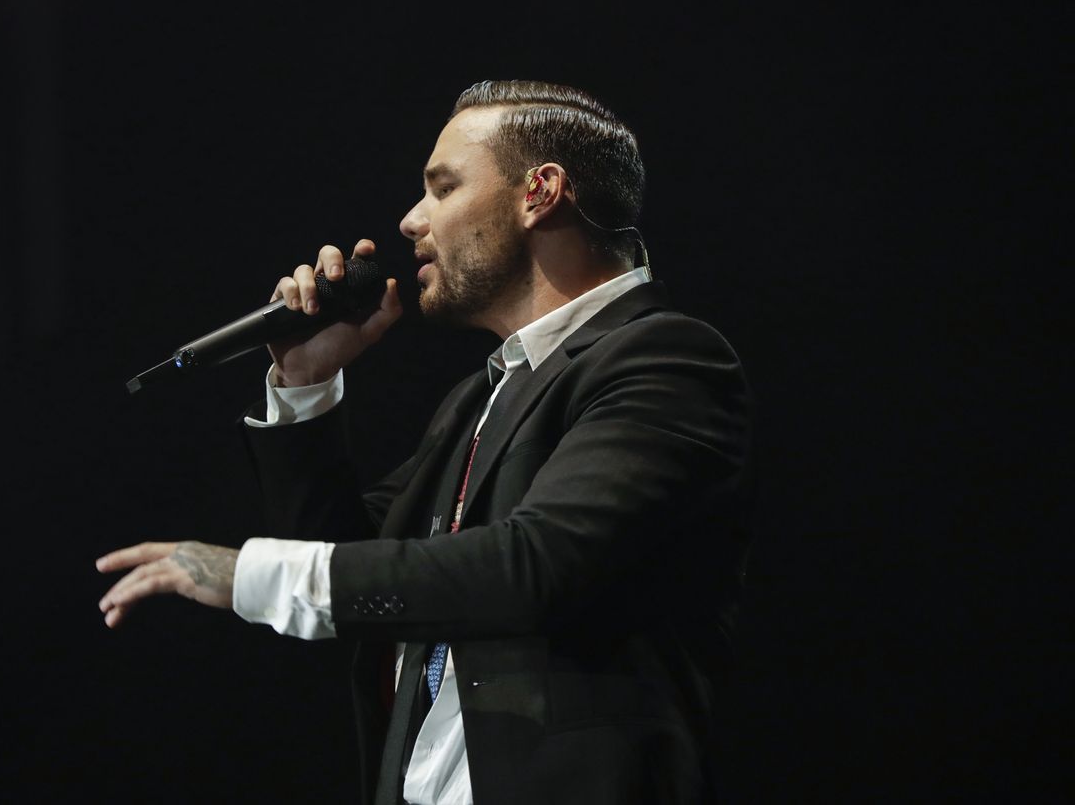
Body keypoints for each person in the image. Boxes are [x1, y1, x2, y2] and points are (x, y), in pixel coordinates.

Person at [97, 80, 754, 805]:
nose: (411, 221)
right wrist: (306, 384)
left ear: (539, 192)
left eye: (442, 189)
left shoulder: (667, 359)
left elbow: (532, 566)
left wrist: (249, 575)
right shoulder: (482, 396)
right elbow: (357, 562)